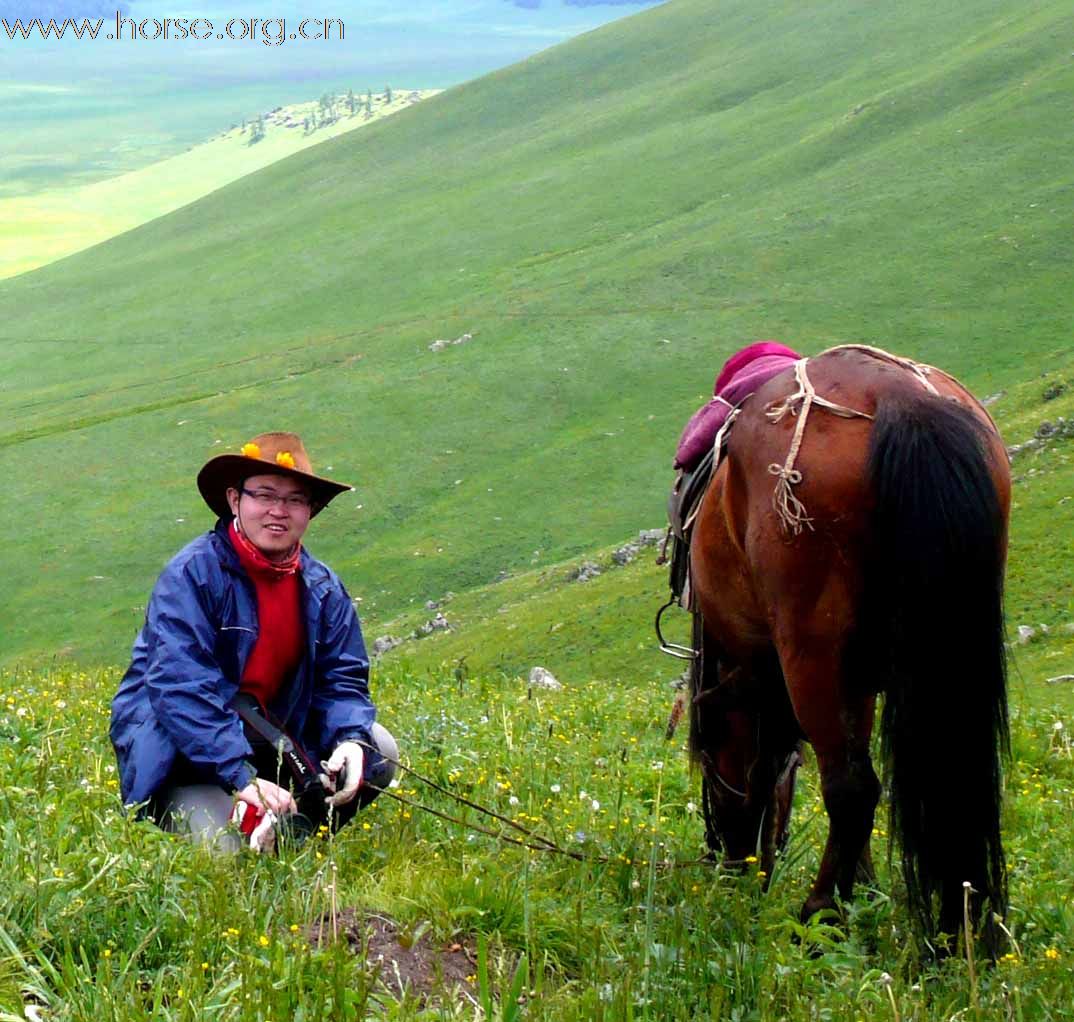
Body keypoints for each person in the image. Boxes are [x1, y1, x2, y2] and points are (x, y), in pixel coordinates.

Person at [110, 431, 396, 852]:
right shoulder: (192, 576)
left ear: (310, 511)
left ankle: (294, 834)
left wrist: (350, 739)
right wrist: (239, 775)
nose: (278, 511)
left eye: (295, 499)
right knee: (225, 854)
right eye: (264, 494)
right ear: (234, 500)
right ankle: (245, 822)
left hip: (273, 742)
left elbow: (342, 679)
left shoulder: (322, 588)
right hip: (188, 756)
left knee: (379, 749)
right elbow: (180, 688)